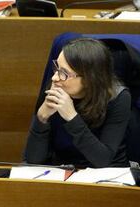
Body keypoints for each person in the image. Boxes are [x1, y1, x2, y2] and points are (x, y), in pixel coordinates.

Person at [24, 38, 131, 168]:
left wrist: (71, 117)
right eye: (56, 68)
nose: (55, 77)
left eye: (64, 73)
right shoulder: (56, 86)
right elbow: (33, 160)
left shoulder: (118, 98)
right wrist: (41, 118)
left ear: (89, 78)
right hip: (64, 171)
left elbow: (102, 160)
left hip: (108, 174)